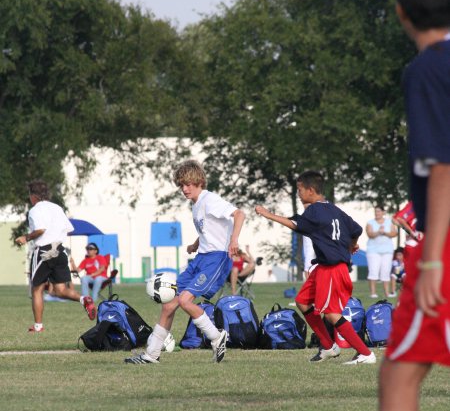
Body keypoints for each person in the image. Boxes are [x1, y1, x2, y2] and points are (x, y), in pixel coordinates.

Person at [295, 0, 450, 411]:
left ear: (399, 11)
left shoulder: (427, 70)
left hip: (444, 251)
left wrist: (432, 257)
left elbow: (441, 167)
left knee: (400, 374)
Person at [125, 159, 245, 365]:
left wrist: (234, 240)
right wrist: (196, 243)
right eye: (181, 185)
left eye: (188, 184)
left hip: (216, 259)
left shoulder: (209, 199)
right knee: (169, 304)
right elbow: (210, 229)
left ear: (199, 182)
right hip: (202, 257)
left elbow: (239, 214)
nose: (184, 189)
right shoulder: (196, 204)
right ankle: (151, 354)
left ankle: (217, 337)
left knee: (184, 301)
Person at [255, 170, 376, 365]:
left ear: (311, 190)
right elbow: (356, 230)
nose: (299, 193)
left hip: (332, 268)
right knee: (303, 301)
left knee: (331, 313)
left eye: (300, 189)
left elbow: (295, 224)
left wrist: (269, 215)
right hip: (323, 267)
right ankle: (328, 347)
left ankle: (365, 353)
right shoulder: (335, 210)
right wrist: (352, 244)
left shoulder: (313, 211)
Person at [15, 180, 97, 331]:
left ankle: (38, 326)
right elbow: (69, 228)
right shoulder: (57, 208)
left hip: (44, 252)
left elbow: (40, 230)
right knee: (60, 290)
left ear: (33, 196)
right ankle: (83, 299)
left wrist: (25, 238)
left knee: (37, 289)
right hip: (60, 251)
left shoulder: (35, 210)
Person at [366, 206, 398, 299]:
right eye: (376, 211)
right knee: (373, 271)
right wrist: (378, 232)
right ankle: (373, 293)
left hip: (387, 251)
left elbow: (394, 233)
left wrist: (385, 232)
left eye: (379, 211)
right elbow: (369, 234)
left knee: (386, 271)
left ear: (383, 212)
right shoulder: (370, 223)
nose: (377, 213)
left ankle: (387, 293)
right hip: (373, 251)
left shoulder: (389, 222)